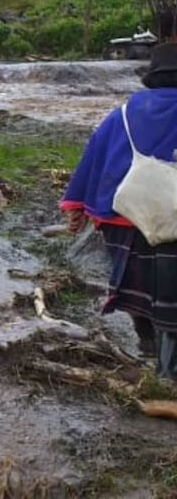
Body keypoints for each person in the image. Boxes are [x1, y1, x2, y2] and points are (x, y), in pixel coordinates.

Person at [62, 43, 177, 374]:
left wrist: (76, 209)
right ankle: (166, 364)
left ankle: (147, 343)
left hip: (128, 224)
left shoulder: (123, 115)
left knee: (139, 295)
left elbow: (94, 160)